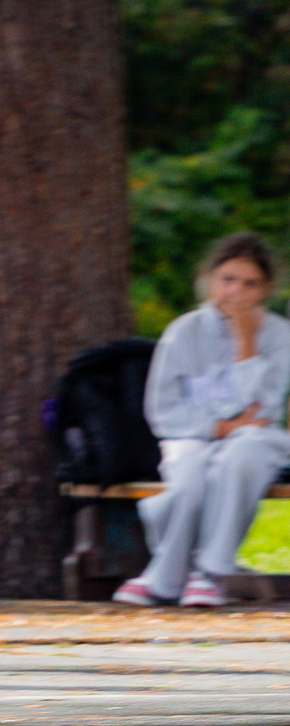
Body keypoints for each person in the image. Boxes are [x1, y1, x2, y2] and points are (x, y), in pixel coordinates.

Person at [115, 231, 290, 607]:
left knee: (241, 455)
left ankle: (209, 573)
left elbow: (263, 410)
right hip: (191, 437)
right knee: (192, 478)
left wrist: (246, 344)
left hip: (257, 443)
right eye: (228, 279)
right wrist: (218, 427)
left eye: (250, 283)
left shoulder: (278, 336)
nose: (236, 292)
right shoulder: (184, 332)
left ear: (264, 289)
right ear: (210, 280)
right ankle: (167, 574)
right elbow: (163, 408)